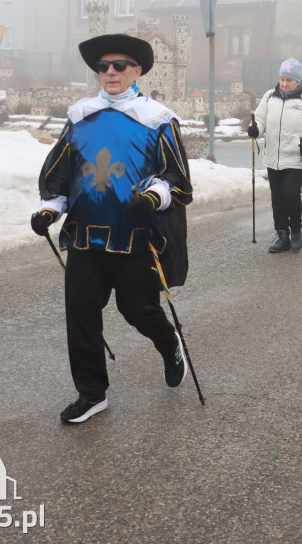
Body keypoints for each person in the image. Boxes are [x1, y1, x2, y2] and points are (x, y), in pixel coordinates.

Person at [32, 33, 193, 424]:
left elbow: (178, 179)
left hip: (135, 236)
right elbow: (61, 174)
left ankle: (168, 342)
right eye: (103, 66)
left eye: (119, 65)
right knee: (81, 312)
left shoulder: (157, 119)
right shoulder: (80, 117)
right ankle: (91, 392)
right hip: (86, 235)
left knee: (137, 310)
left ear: (136, 71)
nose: (110, 73)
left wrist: (154, 197)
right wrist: (50, 209)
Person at [248, 59, 302, 253]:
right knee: (277, 198)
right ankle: (282, 234)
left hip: (296, 157)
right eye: (282, 79)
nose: (284, 84)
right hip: (273, 157)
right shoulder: (269, 97)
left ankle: (296, 230)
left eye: (289, 80)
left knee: (290, 194)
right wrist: (255, 130)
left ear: (298, 81)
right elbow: (259, 120)